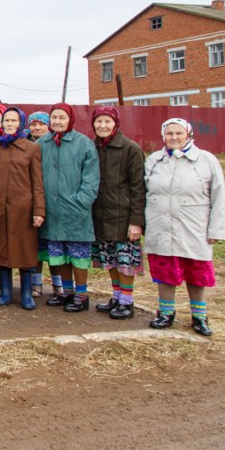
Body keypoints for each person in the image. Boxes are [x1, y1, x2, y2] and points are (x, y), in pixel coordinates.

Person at [145, 118, 225, 336]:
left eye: (178, 133)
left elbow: (219, 196)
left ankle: (199, 316)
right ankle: (166, 313)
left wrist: (216, 229)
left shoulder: (206, 160)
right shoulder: (155, 160)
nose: (173, 138)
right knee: (165, 270)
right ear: (163, 136)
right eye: (169, 134)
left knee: (196, 272)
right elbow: (143, 192)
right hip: (161, 225)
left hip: (193, 226)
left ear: (188, 134)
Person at [0, 107, 45, 309]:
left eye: (13, 120)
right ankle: (5, 292)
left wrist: (39, 210)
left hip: (22, 209)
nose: (9, 124)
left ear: (20, 123)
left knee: (24, 251)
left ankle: (25, 294)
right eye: (6, 120)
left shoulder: (31, 148)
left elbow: (38, 182)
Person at [39, 103, 100, 313]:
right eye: (54, 117)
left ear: (70, 120)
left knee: (78, 255)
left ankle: (81, 295)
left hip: (75, 210)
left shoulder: (83, 144)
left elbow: (91, 178)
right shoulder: (42, 143)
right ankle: (66, 292)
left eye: (61, 118)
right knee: (58, 254)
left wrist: (81, 201)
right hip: (51, 210)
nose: (57, 121)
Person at [90, 106, 146, 320]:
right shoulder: (93, 147)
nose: (102, 126)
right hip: (101, 214)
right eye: (99, 121)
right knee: (110, 258)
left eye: (107, 121)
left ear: (115, 123)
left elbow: (138, 187)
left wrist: (136, 221)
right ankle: (116, 295)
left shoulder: (130, 148)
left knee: (125, 261)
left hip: (123, 215)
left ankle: (127, 301)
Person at [26, 111, 51, 297]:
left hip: (51, 198)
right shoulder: (25, 145)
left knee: (52, 246)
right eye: (33, 124)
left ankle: (59, 285)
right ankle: (36, 283)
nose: (37, 127)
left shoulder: (52, 144)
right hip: (29, 200)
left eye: (41, 124)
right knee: (34, 246)